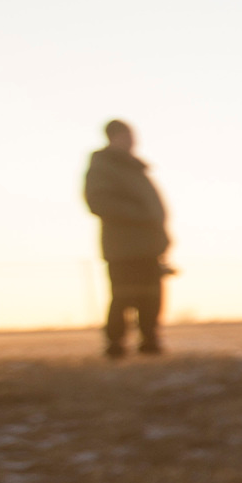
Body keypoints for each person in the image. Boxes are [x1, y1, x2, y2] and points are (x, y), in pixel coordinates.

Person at [83, 121, 170, 359]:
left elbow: (153, 209)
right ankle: (115, 344)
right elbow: (98, 201)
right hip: (122, 247)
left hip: (148, 245)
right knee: (123, 295)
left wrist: (160, 234)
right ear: (113, 137)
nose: (132, 141)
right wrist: (140, 216)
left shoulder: (135, 168)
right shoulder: (104, 167)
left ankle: (150, 340)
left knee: (151, 295)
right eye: (126, 136)